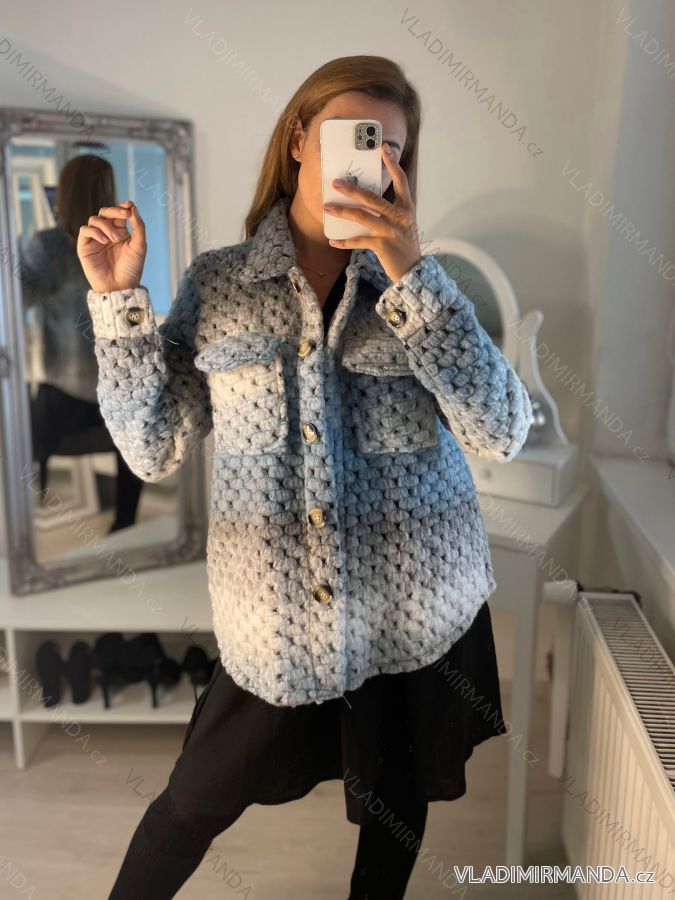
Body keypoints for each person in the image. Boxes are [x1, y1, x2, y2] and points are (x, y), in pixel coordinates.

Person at [78, 55, 532, 900]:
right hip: (277, 618)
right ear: (298, 139)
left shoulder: (424, 284)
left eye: (390, 148)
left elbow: (501, 431)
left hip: (413, 607)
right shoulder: (219, 284)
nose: (370, 161)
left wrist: (411, 271)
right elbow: (152, 449)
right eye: (351, 136)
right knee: (192, 805)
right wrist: (117, 305)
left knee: (395, 803)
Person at [20, 154, 144, 532]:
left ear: (64, 193)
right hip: (95, 377)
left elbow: (19, 301)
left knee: (29, 448)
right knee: (133, 449)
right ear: (106, 189)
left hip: (75, 381)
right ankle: (124, 526)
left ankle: (123, 525)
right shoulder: (100, 242)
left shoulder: (50, 245)